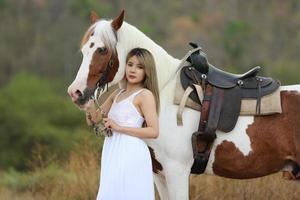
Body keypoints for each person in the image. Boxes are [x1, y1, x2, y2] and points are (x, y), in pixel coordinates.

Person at [84, 47, 160, 200]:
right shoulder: (117, 93)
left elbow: (154, 131)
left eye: (140, 67)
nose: (133, 70)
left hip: (131, 151)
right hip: (112, 150)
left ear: (147, 71)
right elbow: (94, 119)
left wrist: (120, 128)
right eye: (130, 64)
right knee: (110, 193)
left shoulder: (145, 95)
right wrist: (89, 104)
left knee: (127, 193)